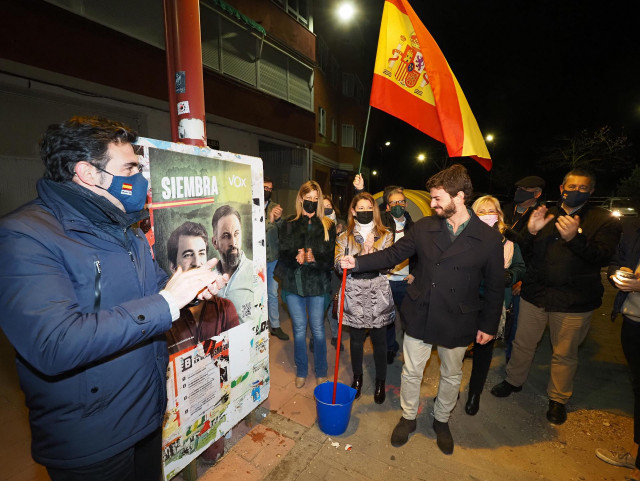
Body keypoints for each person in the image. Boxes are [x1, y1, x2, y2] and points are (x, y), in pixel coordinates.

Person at [0, 117, 226, 480]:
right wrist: (168, 302)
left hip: (145, 415)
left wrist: (190, 289)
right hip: (92, 440)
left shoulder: (126, 231)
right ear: (88, 173)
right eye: (130, 169)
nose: (140, 180)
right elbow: (55, 343)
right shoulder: (24, 236)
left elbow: (154, 288)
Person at [341, 164, 504, 455]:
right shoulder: (425, 227)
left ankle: (442, 420)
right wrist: (358, 262)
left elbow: (494, 287)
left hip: (459, 317)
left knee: (452, 375)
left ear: (460, 197)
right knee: (411, 371)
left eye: (437, 198)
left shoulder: (488, 238)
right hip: (421, 310)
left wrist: (488, 325)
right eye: (431, 198)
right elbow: (393, 253)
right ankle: (408, 417)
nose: (431, 204)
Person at [491, 169, 622, 425]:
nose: (575, 191)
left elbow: (603, 256)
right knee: (523, 343)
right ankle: (513, 381)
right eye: (571, 186)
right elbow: (524, 252)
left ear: (592, 191)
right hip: (536, 294)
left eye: (583, 188)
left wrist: (575, 238)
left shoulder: (603, 220)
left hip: (574, 301)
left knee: (564, 353)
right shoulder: (544, 213)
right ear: (562, 187)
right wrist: (529, 231)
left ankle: (557, 399)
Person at [164, 221, 239, 465]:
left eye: (202, 253)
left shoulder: (225, 308)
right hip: (175, 414)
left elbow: (237, 356)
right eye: (188, 255)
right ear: (173, 267)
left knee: (213, 456)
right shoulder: (162, 321)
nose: (197, 263)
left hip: (213, 400)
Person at [464, 195, 525, 415]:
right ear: (473, 215)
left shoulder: (508, 242)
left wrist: (510, 275)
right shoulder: (464, 237)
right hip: (465, 302)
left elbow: (520, 266)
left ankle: (474, 394)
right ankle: (448, 392)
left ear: (499, 215)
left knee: (483, 350)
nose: (488, 215)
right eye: (482, 211)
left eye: (492, 211)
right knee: (455, 351)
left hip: (493, 304)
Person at [335, 192, 395, 404]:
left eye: (369, 208)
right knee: (357, 340)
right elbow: (337, 264)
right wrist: (364, 252)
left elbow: (389, 264)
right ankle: (358, 378)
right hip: (354, 289)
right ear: (353, 211)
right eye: (360, 208)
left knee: (379, 340)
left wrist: (371, 251)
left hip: (377, 288)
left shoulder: (386, 234)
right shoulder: (344, 237)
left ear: (374, 210)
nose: (365, 212)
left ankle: (380, 381)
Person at [278, 181, 336, 388]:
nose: (311, 202)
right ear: (300, 198)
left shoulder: (328, 225)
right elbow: (282, 255)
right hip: (294, 285)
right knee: (299, 329)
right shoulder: (289, 222)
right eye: (308, 198)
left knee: (319, 330)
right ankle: (301, 370)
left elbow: (330, 261)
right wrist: (296, 256)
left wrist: (315, 258)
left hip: (318, 285)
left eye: (315, 199)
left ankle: (321, 371)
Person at [596, 218, 640, 480]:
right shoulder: (634, 230)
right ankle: (635, 456)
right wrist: (617, 273)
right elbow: (616, 258)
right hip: (633, 318)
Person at [502, 175, 546, 361]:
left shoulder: (541, 216)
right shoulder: (505, 209)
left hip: (521, 275)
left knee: (516, 323)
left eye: (524, 190)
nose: (518, 192)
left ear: (537, 194)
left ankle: (511, 359)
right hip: (500, 271)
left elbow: (539, 253)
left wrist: (524, 279)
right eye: (518, 189)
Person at [381, 185, 415, 364]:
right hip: (386, 281)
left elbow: (421, 255)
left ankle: (410, 351)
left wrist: (414, 273)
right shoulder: (382, 226)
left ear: (406, 204)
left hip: (405, 281)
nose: (398, 205)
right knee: (387, 319)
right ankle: (390, 347)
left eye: (401, 201)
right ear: (387, 207)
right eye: (393, 202)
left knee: (408, 319)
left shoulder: (414, 228)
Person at [211, 204, 255, 323]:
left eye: (236, 234)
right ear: (215, 242)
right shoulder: (210, 280)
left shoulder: (255, 271)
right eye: (226, 236)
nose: (233, 242)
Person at [264, 177, 289, 340]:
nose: (268, 191)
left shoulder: (274, 207)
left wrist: (279, 219)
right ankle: (259, 326)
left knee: (272, 293)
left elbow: (284, 229)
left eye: (270, 188)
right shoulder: (249, 206)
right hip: (256, 260)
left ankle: (275, 326)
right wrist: (270, 221)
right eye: (265, 187)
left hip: (272, 257)